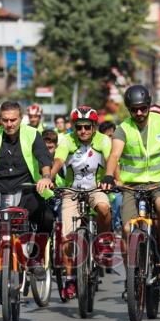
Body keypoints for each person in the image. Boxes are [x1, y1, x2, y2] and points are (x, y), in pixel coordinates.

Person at [0, 101, 54, 310]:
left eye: (13, 120)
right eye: (4, 120)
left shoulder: (32, 134)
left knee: (47, 217)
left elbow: (44, 157)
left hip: (27, 192)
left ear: (21, 118)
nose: (9, 124)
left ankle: (35, 259)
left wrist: (45, 177)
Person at [102, 85, 160, 266]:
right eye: (134, 109)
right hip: (132, 185)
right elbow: (114, 154)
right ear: (129, 110)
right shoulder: (123, 128)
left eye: (143, 108)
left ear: (148, 106)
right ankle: (131, 273)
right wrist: (108, 176)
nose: (139, 112)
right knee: (127, 228)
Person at [50, 106, 112, 299]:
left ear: (94, 126)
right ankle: (70, 278)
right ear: (74, 128)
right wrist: (49, 177)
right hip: (72, 191)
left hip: (96, 188)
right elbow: (59, 161)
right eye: (79, 127)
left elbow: (111, 161)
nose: (83, 131)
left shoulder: (103, 140)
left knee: (103, 208)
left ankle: (103, 241)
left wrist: (112, 179)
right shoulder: (67, 140)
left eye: (87, 127)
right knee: (68, 237)